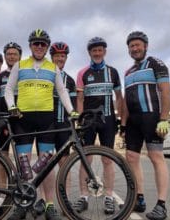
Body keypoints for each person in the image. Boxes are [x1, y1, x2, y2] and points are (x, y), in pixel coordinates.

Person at [4, 29, 77, 220]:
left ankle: (49, 205)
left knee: (46, 166)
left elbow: (62, 92)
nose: (39, 47)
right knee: (24, 164)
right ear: (30, 46)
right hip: (23, 119)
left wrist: (72, 112)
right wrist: (12, 106)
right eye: (35, 43)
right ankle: (22, 204)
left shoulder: (53, 68)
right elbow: (9, 90)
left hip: (46, 120)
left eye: (42, 44)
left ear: (46, 47)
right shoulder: (20, 65)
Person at [121, 31, 170, 220]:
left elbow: (165, 90)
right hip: (133, 120)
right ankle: (139, 198)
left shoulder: (156, 63)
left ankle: (161, 205)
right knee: (131, 157)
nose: (134, 49)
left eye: (137, 45)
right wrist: (123, 125)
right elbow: (125, 100)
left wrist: (164, 118)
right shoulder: (128, 72)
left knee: (156, 156)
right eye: (131, 46)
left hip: (152, 117)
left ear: (145, 46)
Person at [74, 37, 123, 215]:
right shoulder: (83, 73)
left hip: (108, 120)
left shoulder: (113, 72)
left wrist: (120, 119)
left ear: (104, 51)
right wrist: (80, 121)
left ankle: (109, 197)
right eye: (94, 50)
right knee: (85, 159)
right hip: (88, 122)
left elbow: (119, 98)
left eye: (100, 50)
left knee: (107, 160)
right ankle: (83, 196)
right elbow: (79, 99)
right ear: (89, 52)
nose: (97, 53)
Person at [34, 41, 77, 215]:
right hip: (46, 125)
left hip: (63, 127)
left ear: (66, 58)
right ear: (51, 57)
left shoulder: (70, 80)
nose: (60, 58)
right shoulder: (44, 75)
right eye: (57, 56)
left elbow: (73, 105)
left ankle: (64, 201)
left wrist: (74, 127)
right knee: (43, 165)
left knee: (64, 165)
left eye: (63, 56)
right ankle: (43, 200)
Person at [0, 41, 22, 210]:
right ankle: (2, 195)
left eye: (14, 54)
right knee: (2, 159)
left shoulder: (24, 73)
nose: (11, 56)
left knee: (22, 160)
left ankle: (21, 194)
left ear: (19, 57)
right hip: (3, 122)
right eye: (8, 54)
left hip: (21, 122)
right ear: (5, 57)